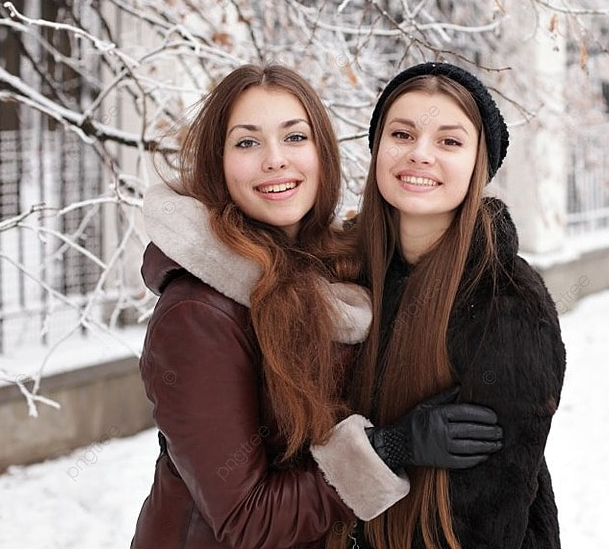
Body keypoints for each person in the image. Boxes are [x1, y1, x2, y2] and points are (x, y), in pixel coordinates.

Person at [131, 64, 503, 549]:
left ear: (321, 152)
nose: (274, 161)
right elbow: (247, 520)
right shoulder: (201, 314)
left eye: (294, 137)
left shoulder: (333, 271)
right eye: (247, 143)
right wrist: (390, 448)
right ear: (217, 163)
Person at [349, 62, 567, 549]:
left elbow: (488, 521)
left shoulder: (508, 305)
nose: (420, 155)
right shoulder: (340, 278)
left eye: (449, 141)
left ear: (477, 164)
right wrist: (392, 447)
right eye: (402, 134)